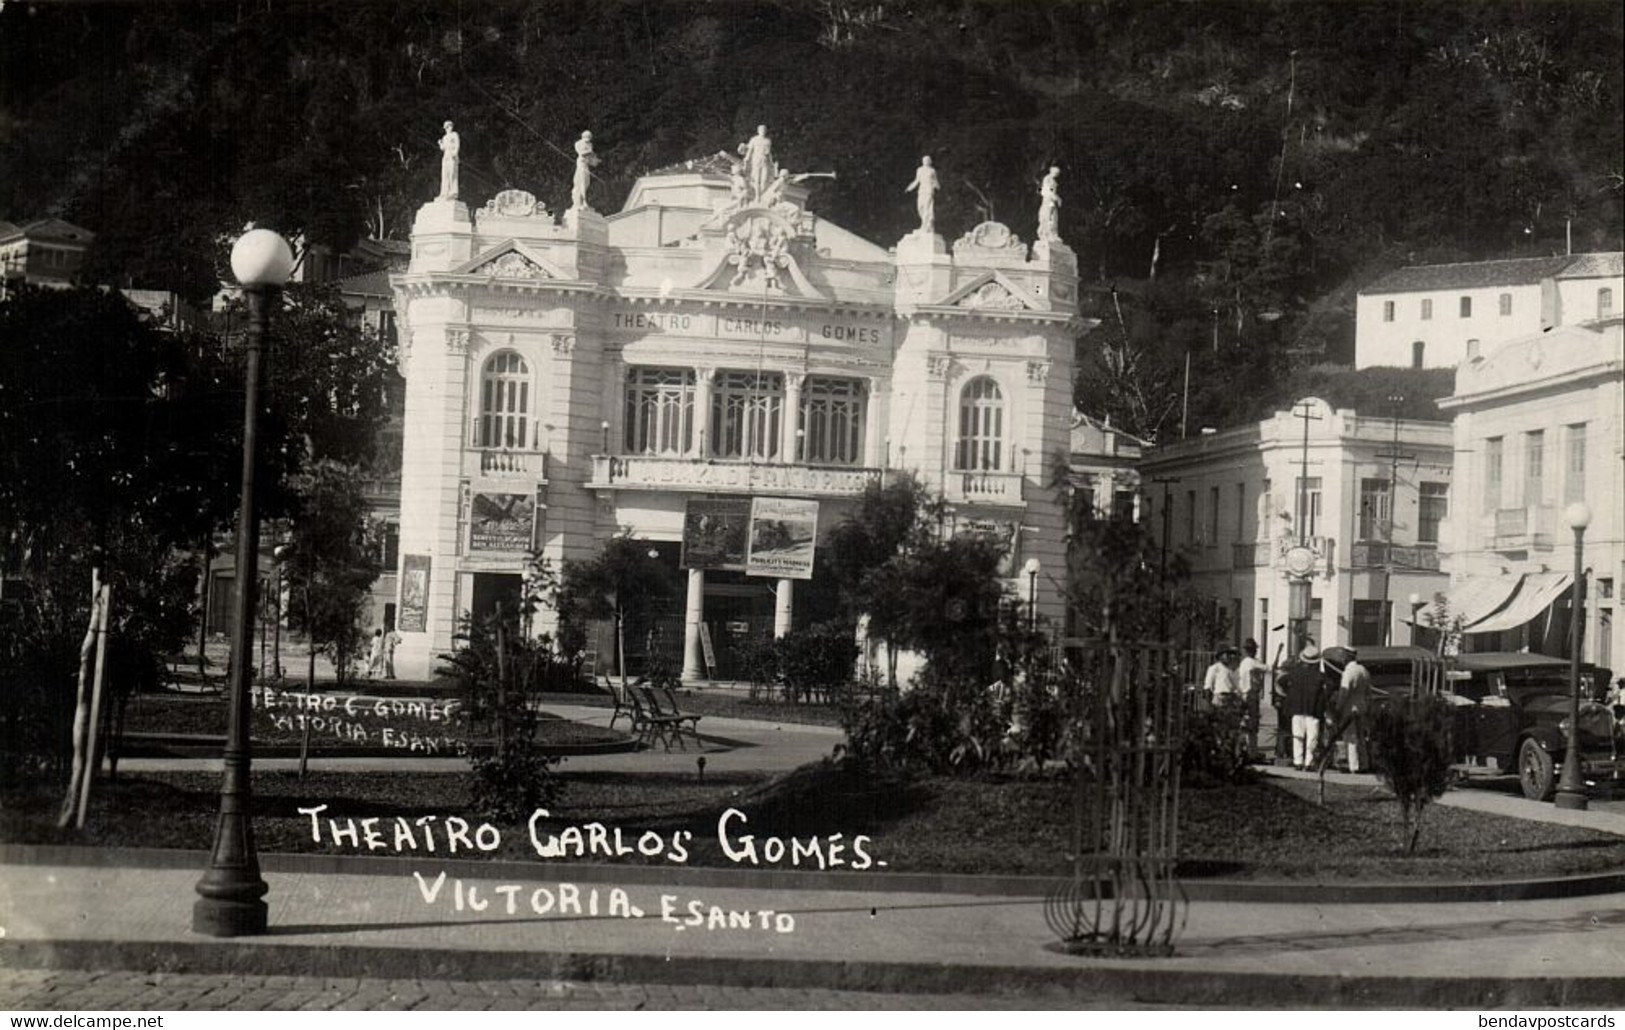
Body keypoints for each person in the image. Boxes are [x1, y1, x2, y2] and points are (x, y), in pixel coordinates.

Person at [1282, 643, 1326, 770]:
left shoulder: (1294, 673)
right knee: (1312, 738)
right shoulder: (1319, 676)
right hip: (1313, 710)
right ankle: (1309, 762)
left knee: (1297, 736)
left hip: (1296, 708)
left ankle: (1298, 762)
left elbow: (1281, 681)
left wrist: (1290, 694)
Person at [1335, 646, 1373, 773]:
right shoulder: (1363, 670)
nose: (1341, 659)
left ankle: (1354, 765)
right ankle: (1364, 763)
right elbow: (1369, 692)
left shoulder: (1348, 672)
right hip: (1362, 705)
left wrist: (1338, 707)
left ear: (1347, 657)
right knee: (1361, 737)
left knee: (1350, 737)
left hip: (1350, 707)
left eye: (1343, 656)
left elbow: (1344, 693)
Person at [1237, 638, 1269, 757]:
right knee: (1252, 724)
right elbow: (1268, 668)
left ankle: (1249, 749)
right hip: (1250, 695)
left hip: (1245, 694)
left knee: (1247, 722)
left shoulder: (1245, 662)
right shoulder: (1251, 663)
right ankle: (1252, 751)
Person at [739, 125, 776, 202]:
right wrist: (747, 159)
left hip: (765, 161)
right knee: (756, 179)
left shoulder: (768, 141)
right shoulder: (754, 139)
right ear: (758, 131)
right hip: (756, 160)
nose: (763, 131)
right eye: (761, 130)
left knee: (764, 180)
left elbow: (769, 154)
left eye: (764, 130)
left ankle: (760, 195)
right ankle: (757, 197)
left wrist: (771, 163)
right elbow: (750, 150)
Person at [904, 156, 939, 234]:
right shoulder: (919, 170)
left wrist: (937, 185)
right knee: (920, 207)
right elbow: (917, 180)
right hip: (922, 190)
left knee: (927, 208)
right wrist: (910, 188)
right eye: (924, 160)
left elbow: (935, 181)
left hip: (929, 190)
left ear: (930, 161)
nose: (925, 161)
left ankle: (925, 226)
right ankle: (927, 223)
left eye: (927, 160)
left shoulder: (932, 171)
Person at [571, 130, 599, 210]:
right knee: (582, 182)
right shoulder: (578, 143)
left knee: (587, 182)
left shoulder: (590, 144)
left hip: (586, 164)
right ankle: (583, 201)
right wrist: (589, 151)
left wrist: (594, 160)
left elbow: (590, 156)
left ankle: (583, 200)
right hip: (581, 163)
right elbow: (581, 153)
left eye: (590, 137)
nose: (589, 139)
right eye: (588, 137)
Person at [1037, 165, 1061, 242]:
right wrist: (1056, 197)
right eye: (1055, 172)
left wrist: (1056, 197)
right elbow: (1047, 190)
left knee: (1054, 217)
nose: (1056, 174)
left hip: (1052, 200)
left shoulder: (1053, 181)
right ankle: (1048, 233)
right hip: (1048, 200)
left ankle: (1053, 233)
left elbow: (1053, 191)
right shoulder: (1047, 179)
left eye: (1057, 173)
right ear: (1051, 171)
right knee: (1049, 215)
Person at [437, 121, 460, 201]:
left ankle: (453, 192)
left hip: (452, 155)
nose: (448, 128)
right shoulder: (445, 137)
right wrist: (440, 144)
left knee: (452, 174)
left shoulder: (454, 134)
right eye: (446, 127)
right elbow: (443, 148)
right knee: (444, 174)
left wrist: (455, 152)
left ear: (451, 127)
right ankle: (444, 193)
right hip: (446, 156)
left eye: (449, 126)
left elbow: (457, 144)